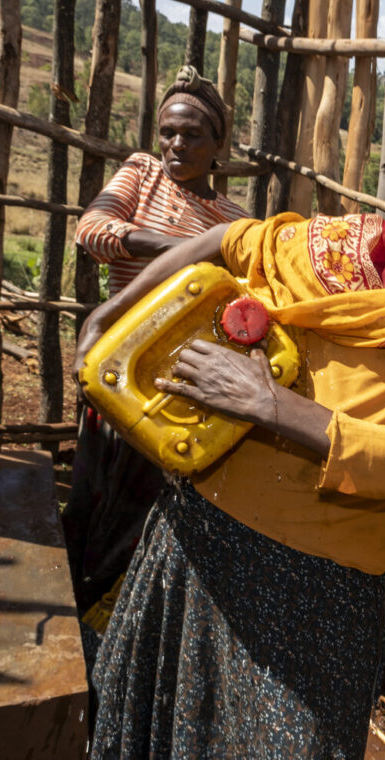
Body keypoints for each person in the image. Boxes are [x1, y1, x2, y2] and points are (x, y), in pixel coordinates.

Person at [75, 112, 385, 758]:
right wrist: (109, 312)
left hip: (321, 594)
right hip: (201, 538)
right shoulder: (358, 252)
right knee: (163, 734)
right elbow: (232, 238)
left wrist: (269, 405)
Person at [63, 66, 248, 618]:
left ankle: (117, 620)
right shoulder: (142, 173)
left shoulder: (234, 218)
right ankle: (76, 600)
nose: (175, 144)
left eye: (191, 135)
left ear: (218, 145)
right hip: (118, 362)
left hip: (184, 379)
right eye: (167, 131)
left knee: (152, 506)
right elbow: (92, 231)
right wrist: (185, 250)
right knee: (93, 491)